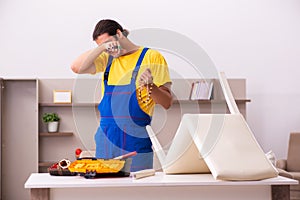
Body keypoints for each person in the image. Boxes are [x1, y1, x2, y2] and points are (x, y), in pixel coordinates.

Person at [71, 19, 172, 172]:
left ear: (119, 33)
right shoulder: (107, 59)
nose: (109, 48)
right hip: (106, 140)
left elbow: (167, 103)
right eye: (103, 46)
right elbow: (76, 67)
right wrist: (102, 48)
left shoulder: (151, 57)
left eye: (110, 42)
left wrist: (151, 86)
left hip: (136, 141)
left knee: (138, 193)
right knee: (106, 192)